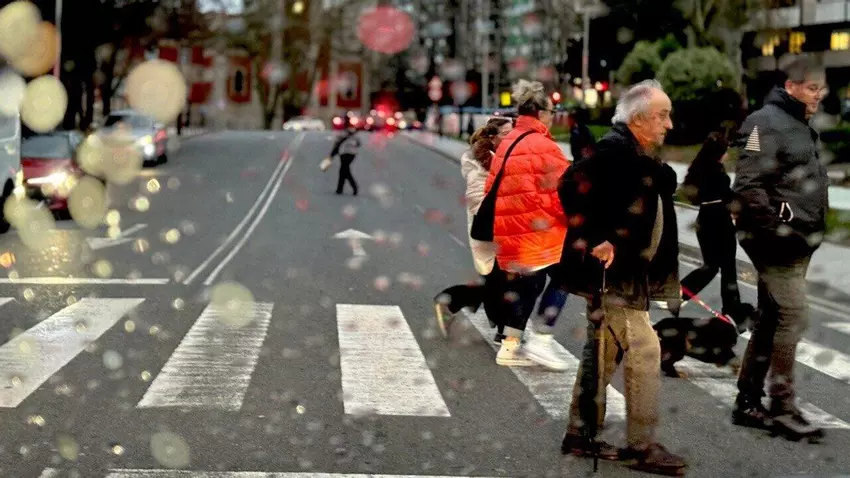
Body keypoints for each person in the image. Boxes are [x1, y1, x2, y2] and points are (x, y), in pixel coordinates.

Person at [557, 79, 687, 476]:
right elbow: (569, 186)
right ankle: (641, 446)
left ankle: (580, 434)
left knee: (602, 352)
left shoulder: (636, 154)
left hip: (629, 272)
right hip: (615, 276)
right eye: (662, 116)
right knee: (645, 351)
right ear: (639, 119)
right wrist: (597, 237)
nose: (669, 124)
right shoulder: (613, 152)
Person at [730, 56, 829, 440]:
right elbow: (747, 184)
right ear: (791, 86)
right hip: (775, 242)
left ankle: (747, 401)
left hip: (799, 240)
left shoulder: (800, 124)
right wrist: (777, 231)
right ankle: (781, 406)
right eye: (812, 88)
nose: (818, 95)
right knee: (793, 314)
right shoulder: (764, 122)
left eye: (821, 88)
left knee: (772, 316)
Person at [486, 79, 571, 371]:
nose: (553, 116)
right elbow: (564, 194)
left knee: (526, 287)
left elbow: (491, 188)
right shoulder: (544, 146)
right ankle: (542, 338)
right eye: (552, 111)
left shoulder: (509, 141)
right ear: (541, 113)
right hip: (539, 232)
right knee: (566, 276)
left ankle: (509, 346)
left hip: (510, 233)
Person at [433, 117, 513, 343]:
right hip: (490, 231)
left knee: (500, 281)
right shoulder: (479, 162)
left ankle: (501, 326)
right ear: (492, 137)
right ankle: (451, 300)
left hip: (505, 229)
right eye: (506, 134)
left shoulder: (504, 158)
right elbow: (477, 200)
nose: (510, 138)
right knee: (501, 281)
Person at [678, 132, 743, 317]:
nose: (727, 154)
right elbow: (726, 195)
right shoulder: (716, 170)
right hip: (719, 220)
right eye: (725, 150)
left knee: (711, 265)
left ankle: (680, 293)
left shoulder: (698, 168)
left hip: (704, 218)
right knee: (728, 267)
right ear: (718, 152)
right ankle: (731, 309)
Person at [329, 127, 360, 195]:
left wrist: (332, 155)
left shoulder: (341, 134)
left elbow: (337, 145)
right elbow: (358, 144)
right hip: (352, 154)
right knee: (343, 171)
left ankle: (353, 187)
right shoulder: (353, 135)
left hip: (344, 154)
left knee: (345, 171)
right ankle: (340, 189)